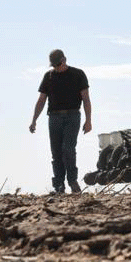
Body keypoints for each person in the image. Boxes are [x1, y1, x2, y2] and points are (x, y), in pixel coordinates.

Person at [29, 49, 92, 194]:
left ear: (64, 60)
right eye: (54, 66)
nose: (57, 68)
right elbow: (41, 100)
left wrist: (88, 121)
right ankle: (59, 185)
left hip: (72, 116)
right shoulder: (49, 76)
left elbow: (86, 99)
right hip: (54, 117)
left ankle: (72, 181)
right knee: (56, 152)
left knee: (68, 149)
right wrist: (34, 120)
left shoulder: (78, 74)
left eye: (58, 64)